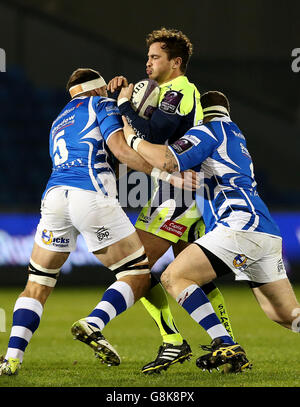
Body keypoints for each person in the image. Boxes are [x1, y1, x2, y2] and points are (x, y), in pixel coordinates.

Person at [0, 68, 197, 376]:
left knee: (36, 284)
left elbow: (102, 157)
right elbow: (119, 149)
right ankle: (93, 322)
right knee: (138, 274)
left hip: (54, 198)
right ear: (96, 91)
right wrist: (164, 173)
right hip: (90, 195)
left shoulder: (58, 120)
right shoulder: (101, 106)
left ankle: (11, 358)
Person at [121, 89, 300, 372]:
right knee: (287, 315)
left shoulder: (209, 130)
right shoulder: (236, 135)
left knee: (174, 276)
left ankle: (225, 343)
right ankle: (227, 345)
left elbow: (166, 159)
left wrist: (131, 136)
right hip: (264, 230)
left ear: (202, 113)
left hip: (240, 225)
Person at [108, 27, 235, 374]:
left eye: (155, 57)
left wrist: (124, 107)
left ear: (175, 62)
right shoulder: (162, 91)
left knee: (134, 266)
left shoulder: (179, 90)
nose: (147, 63)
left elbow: (155, 134)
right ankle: (228, 345)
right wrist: (123, 93)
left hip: (176, 193)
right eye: (147, 57)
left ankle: (172, 340)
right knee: (194, 277)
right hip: (183, 191)